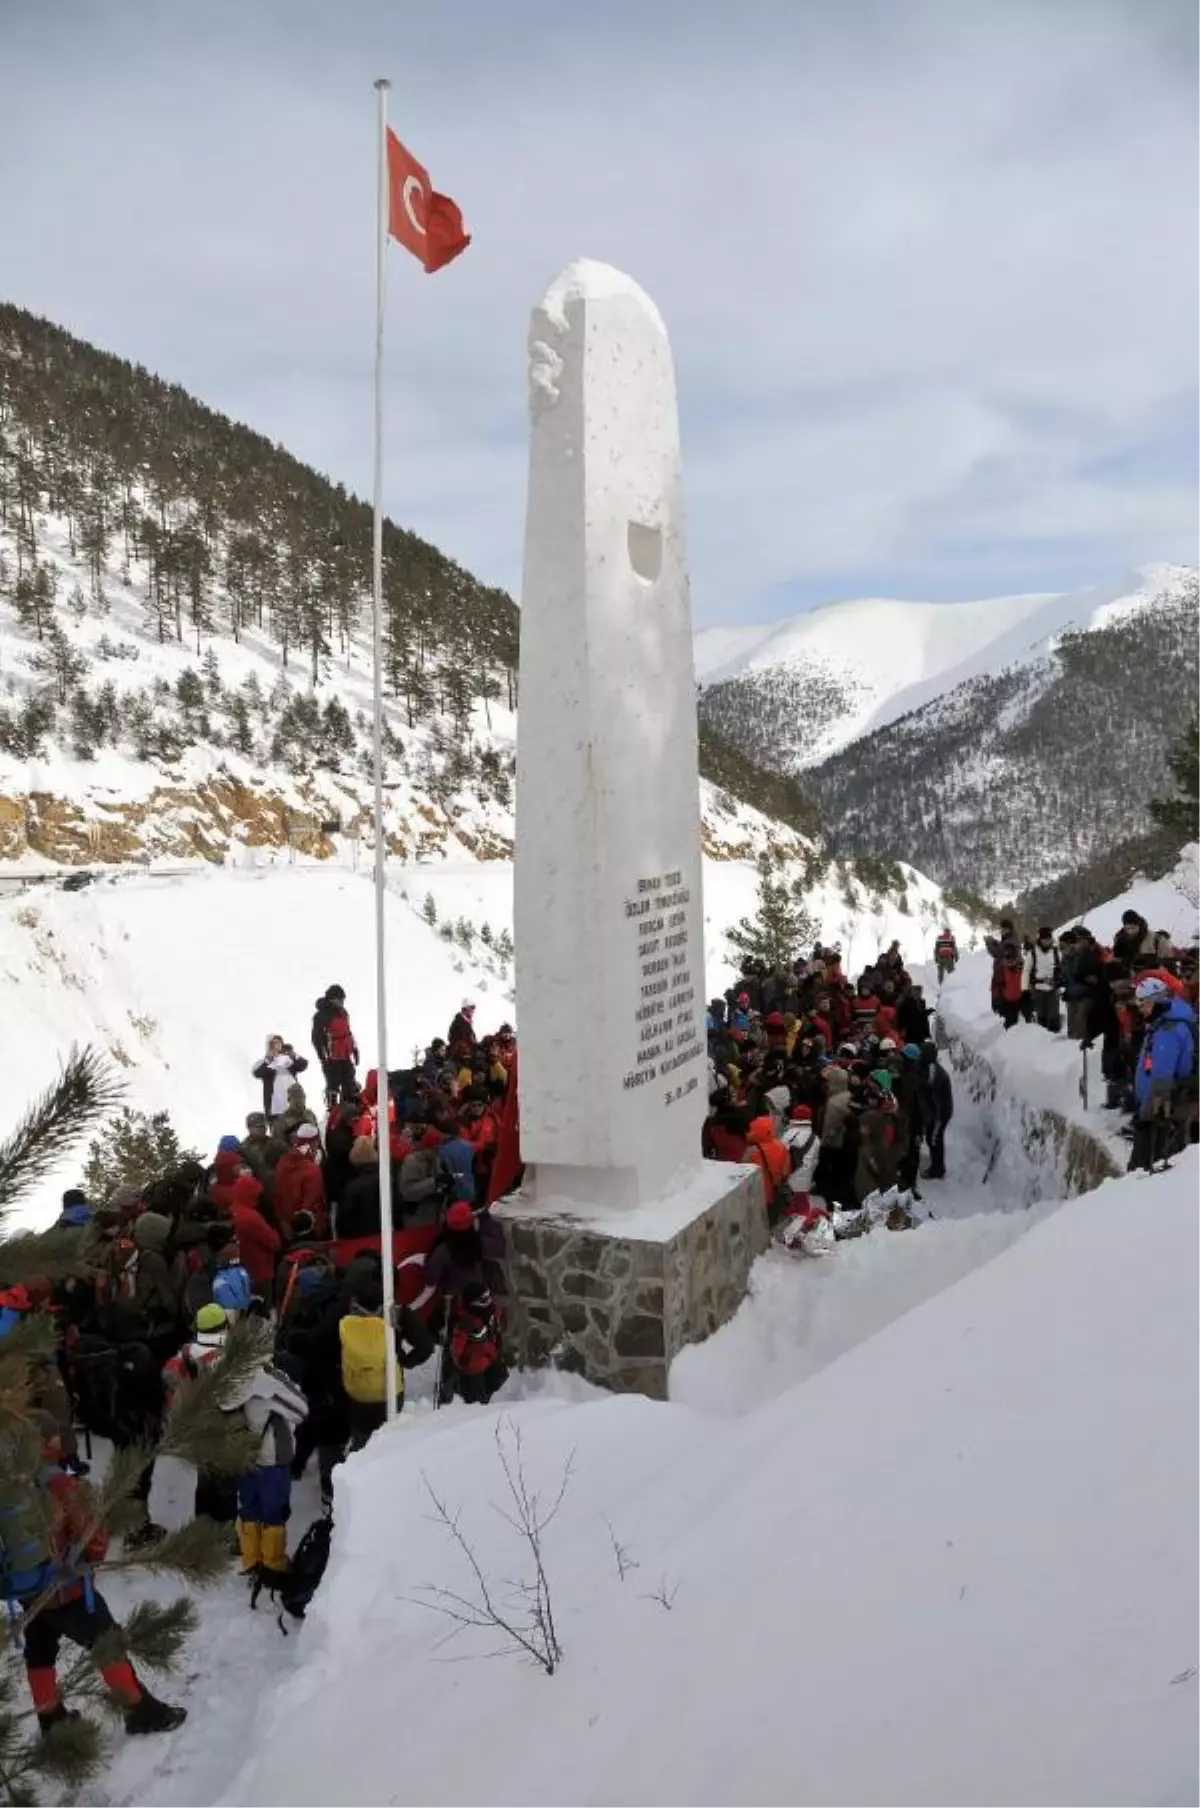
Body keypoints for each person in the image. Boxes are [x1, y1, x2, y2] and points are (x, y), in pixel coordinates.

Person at [9, 1423, 187, 1738]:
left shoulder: (9, 1488)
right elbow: (92, 1538)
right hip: (68, 1589)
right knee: (107, 1642)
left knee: (39, 1650)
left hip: (28, 1590)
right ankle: (139, 1710)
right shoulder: (57, 1482)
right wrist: (90, 1559)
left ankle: (50, 1719)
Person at [220, 1353, 309, 1576]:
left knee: (248, 1508)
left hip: (241, 1455)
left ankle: (251, 1561)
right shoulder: (266, 1384)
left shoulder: (226, 1379)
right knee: (273, 1510)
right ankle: (272, 1562)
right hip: (271, 1457)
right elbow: (301, 1410)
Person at [162, 1303, 239, 1525]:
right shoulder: (227, 1355)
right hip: (223, 1426)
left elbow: (168, 1377)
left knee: (203, 1478)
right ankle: (225, 1526)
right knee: (225, 1479)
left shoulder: (186, 1353)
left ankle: (202, 1524)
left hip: (195, 1426)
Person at [1130, 977, 1198, 1170]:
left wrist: (1145, 1115)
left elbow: (1162, 1080)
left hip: (1166, 1110)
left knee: (1146, 1168)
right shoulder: (1168, 1022)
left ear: (1156, 1001)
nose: (1140, 1009)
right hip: (1174, 1103)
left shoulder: (1168, 1031)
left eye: (1143, 1003)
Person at [441, 1283, 508, 1405]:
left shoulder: (492, 1313)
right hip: (473, 1368)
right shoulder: (465, 1322)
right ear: (473, 1302)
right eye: (484, 1299)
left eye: (489, 1296)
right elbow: (456, 1350)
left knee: (501, 1382)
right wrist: (464, 1364)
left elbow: (498, 1330)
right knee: (477, 1404)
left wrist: (498, 1352)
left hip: (491, 1360)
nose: (489, 1301)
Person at [272, 1123, 327, 1237]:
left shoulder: (282, 1162)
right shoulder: (312, 1169)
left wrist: (284, 1221)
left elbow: (278, 1195)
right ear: (314, 1142)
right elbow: (313, 1201)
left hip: (288, 1223)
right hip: (308, 1225)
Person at [312, 985, 358, 1104]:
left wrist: (354, 1048)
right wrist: (323, 1057)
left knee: (349, 1081)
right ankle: (332, 1109)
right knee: (333, 1084)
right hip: (332, 1056)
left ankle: (349, 1107)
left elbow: (348, 1031)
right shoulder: (321, 1015)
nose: (342, 1002)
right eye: (340, 999)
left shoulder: (343, 1013)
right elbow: (316, 1038)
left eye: (343, 999)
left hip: (345, 1054)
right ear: (332, 999)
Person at [252, 1035, 308, 1123]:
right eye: (274, 1043)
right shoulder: (265, 1062)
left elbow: (303, 1065)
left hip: (294, 1105)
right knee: (278, 1134)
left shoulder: (287, 1059)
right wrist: (269, 1060)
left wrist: (293, 1055)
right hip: (275, 1109)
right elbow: (256, 1073)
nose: (277, 1045)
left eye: (279, 1042)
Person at [920, 1041, 954, 1179]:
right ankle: (937, 1164)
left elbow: (931, 1091)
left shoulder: (935, 1072)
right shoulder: (931, 1067)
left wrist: (935, 1118)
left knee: (935, 1139)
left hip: (940, 1113)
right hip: (937, 1111)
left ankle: (937, 1169)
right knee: (932, 1138)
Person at [1024, 927, 1063, 1033]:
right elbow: (1026, 971)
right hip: (1038, 989)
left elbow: (1060, 968)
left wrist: (1058, 981)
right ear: (1040, 939)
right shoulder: (1032, 953)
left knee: (1054, 1016)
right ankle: (1042, 1040)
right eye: (1044, 939)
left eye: (1048, 939)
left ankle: (1055, 1038)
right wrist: (1025, 990)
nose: (1047, 941)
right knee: (1041, 1015)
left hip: (1053, 988)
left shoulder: (1056, 952)